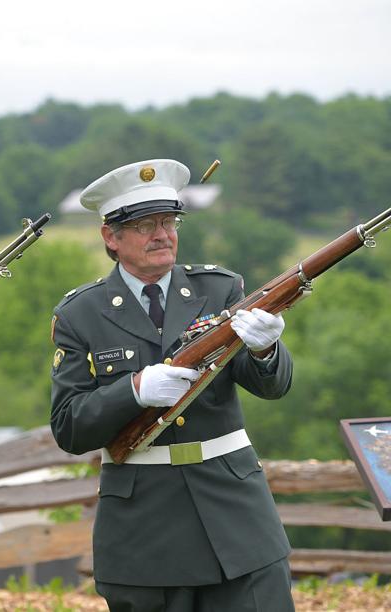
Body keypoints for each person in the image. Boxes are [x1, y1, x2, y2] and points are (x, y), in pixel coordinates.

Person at [50, 159, 295, 611]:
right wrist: (134, 391)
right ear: (111, 237)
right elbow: (69, 427)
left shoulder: (220, 289)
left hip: (235, 514)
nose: (162, 234)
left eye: (168, 220)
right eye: (144, 225)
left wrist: (265, 350)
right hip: (145, 529)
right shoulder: (80, 314)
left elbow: (273, 387)